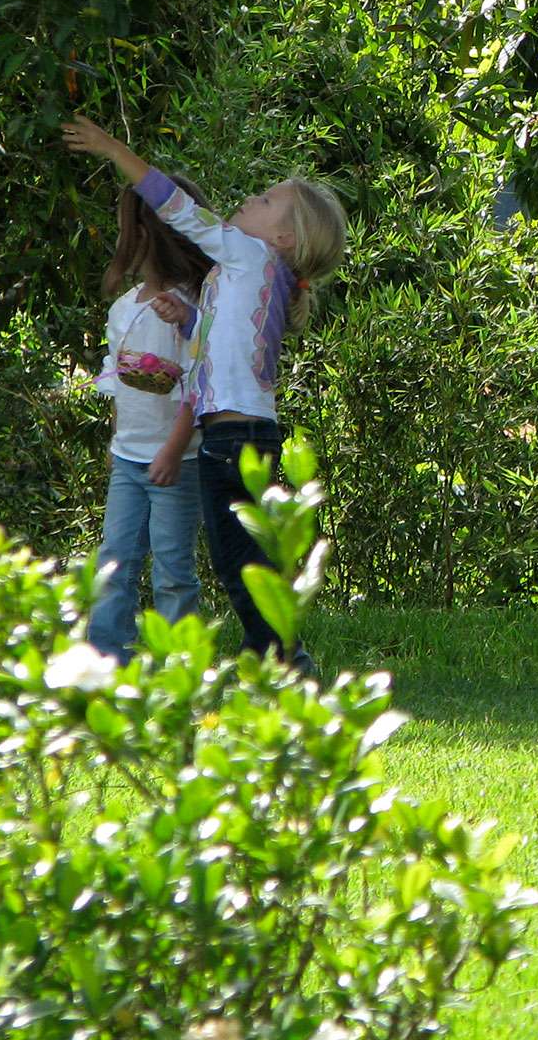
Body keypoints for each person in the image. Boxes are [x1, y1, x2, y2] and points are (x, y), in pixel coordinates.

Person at [62, 115, 347, 669]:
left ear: (283, 237)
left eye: (265, 200)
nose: (250, 198)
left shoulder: (248, 255)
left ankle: (284, 659)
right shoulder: (252, 274)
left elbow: (178, 209)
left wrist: (112, 148)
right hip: (243, 435)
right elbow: (221, 351)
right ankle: (273, 653)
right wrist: (190, 321)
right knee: (241, 558)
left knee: (239, 560)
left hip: (233, 439)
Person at [86, 174, 213, 660]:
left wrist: (173, 449)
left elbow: (202, 377)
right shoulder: (124, 308)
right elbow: (115, 372)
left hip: (177, 462)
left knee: (173, 570)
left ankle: (177, 665)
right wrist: (118, 434)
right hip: (128, 459)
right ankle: (104, 659)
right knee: (114, 561)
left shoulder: (193, 304)